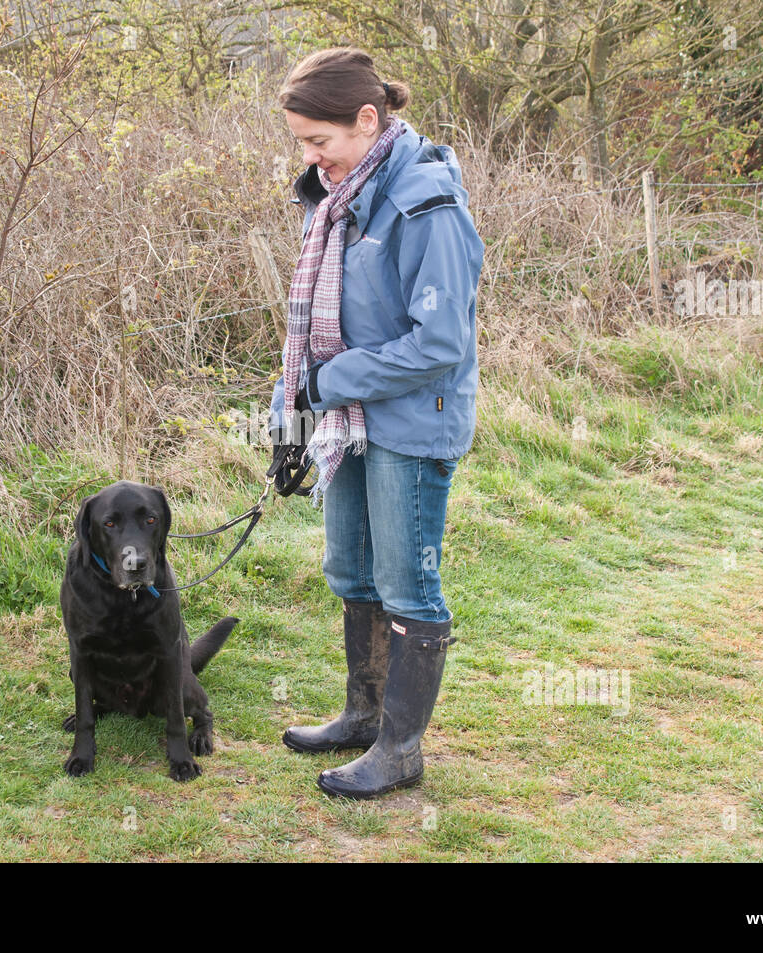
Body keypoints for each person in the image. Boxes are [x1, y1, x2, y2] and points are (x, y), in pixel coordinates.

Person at [266, 47, 484, 799]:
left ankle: (400, 749)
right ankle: (363, 715)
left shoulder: (427, 204)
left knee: (406, 585)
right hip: (347, 422)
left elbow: (438, 342)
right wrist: (288, 422)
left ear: (368, 119)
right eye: (300, 142)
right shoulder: (334, 200)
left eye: (318, 140)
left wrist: (331, 383)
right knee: (350, 572)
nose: (309, 157)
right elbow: (308, 334)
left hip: (410, 426)